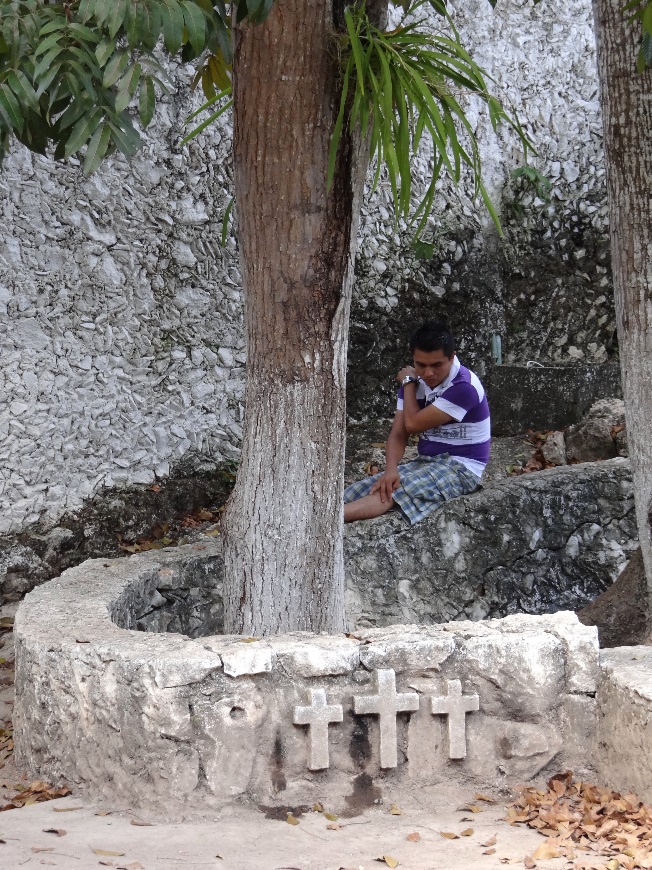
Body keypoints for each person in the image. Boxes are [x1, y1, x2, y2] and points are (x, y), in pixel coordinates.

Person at [344, 321, 490, 524]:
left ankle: (324, 521)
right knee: (357, 491)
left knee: (390, 493)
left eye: (437, 365)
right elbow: (398, 433)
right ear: (413, 359)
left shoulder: (464, 386)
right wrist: (390, 469)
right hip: (426, 462)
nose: (428, 373)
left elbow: (413, 425)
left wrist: (408, 384)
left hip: (461, 468)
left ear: (452, 357)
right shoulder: (414, 384)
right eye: (421, 365)